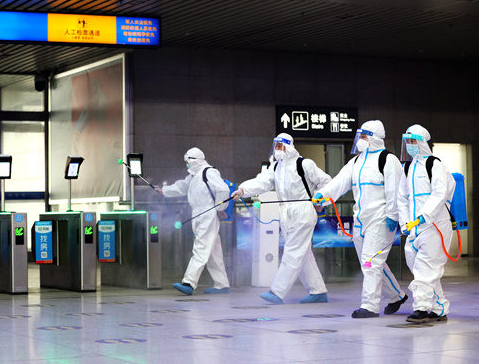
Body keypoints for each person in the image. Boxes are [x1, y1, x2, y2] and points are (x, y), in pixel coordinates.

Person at [313, 120, 408, 318]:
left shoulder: (388, 160)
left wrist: (392, 215)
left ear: (374, 138)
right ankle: (396, 295)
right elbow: (339, 182)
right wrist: (322, 195)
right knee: (371, 263)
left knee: (371, 261)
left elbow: (394, 190)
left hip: (381, 218)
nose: (360, 140)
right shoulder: (356, 161)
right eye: (360, 136)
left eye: (364, 136)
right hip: (360, 219)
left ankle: (369, 306)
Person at [231, 133, 331, 304]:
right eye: (275, 146)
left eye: (280, 146)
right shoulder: (276, 167)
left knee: (292, 251)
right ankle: (318, 291)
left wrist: (319, 200)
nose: (277, 149)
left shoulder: (304, 164)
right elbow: (261, 181)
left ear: (289, 147)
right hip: (285, 213)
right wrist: (242, 190)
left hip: (303, 211)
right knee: (303, 254)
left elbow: (327, 182)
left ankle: (277, 291)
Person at [398, 124, 456, 323]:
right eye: (407, 141)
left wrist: (425, 214)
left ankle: (421, 308)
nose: (409, 144)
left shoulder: (434, 165)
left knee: (425, 268)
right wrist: (405, 222)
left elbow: (440, 193)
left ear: (422, 142)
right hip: (415, 229)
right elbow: (402, 198)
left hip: (435, 226)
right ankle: (439, 308)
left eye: (413, 141)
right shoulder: (407, 167)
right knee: (420, 268)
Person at [159, 147, 231, 295]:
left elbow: (223, 189)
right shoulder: (193, 176)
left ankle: (189, 283)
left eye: (188, 161)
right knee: (213, 252)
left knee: (201, 248)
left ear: (195, 160)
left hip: (207, 214)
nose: (186, 164)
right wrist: (164, 191)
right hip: (200, 214)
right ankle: (222, 284)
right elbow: (181, 187)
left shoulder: (209, 172)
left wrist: (219, 208)